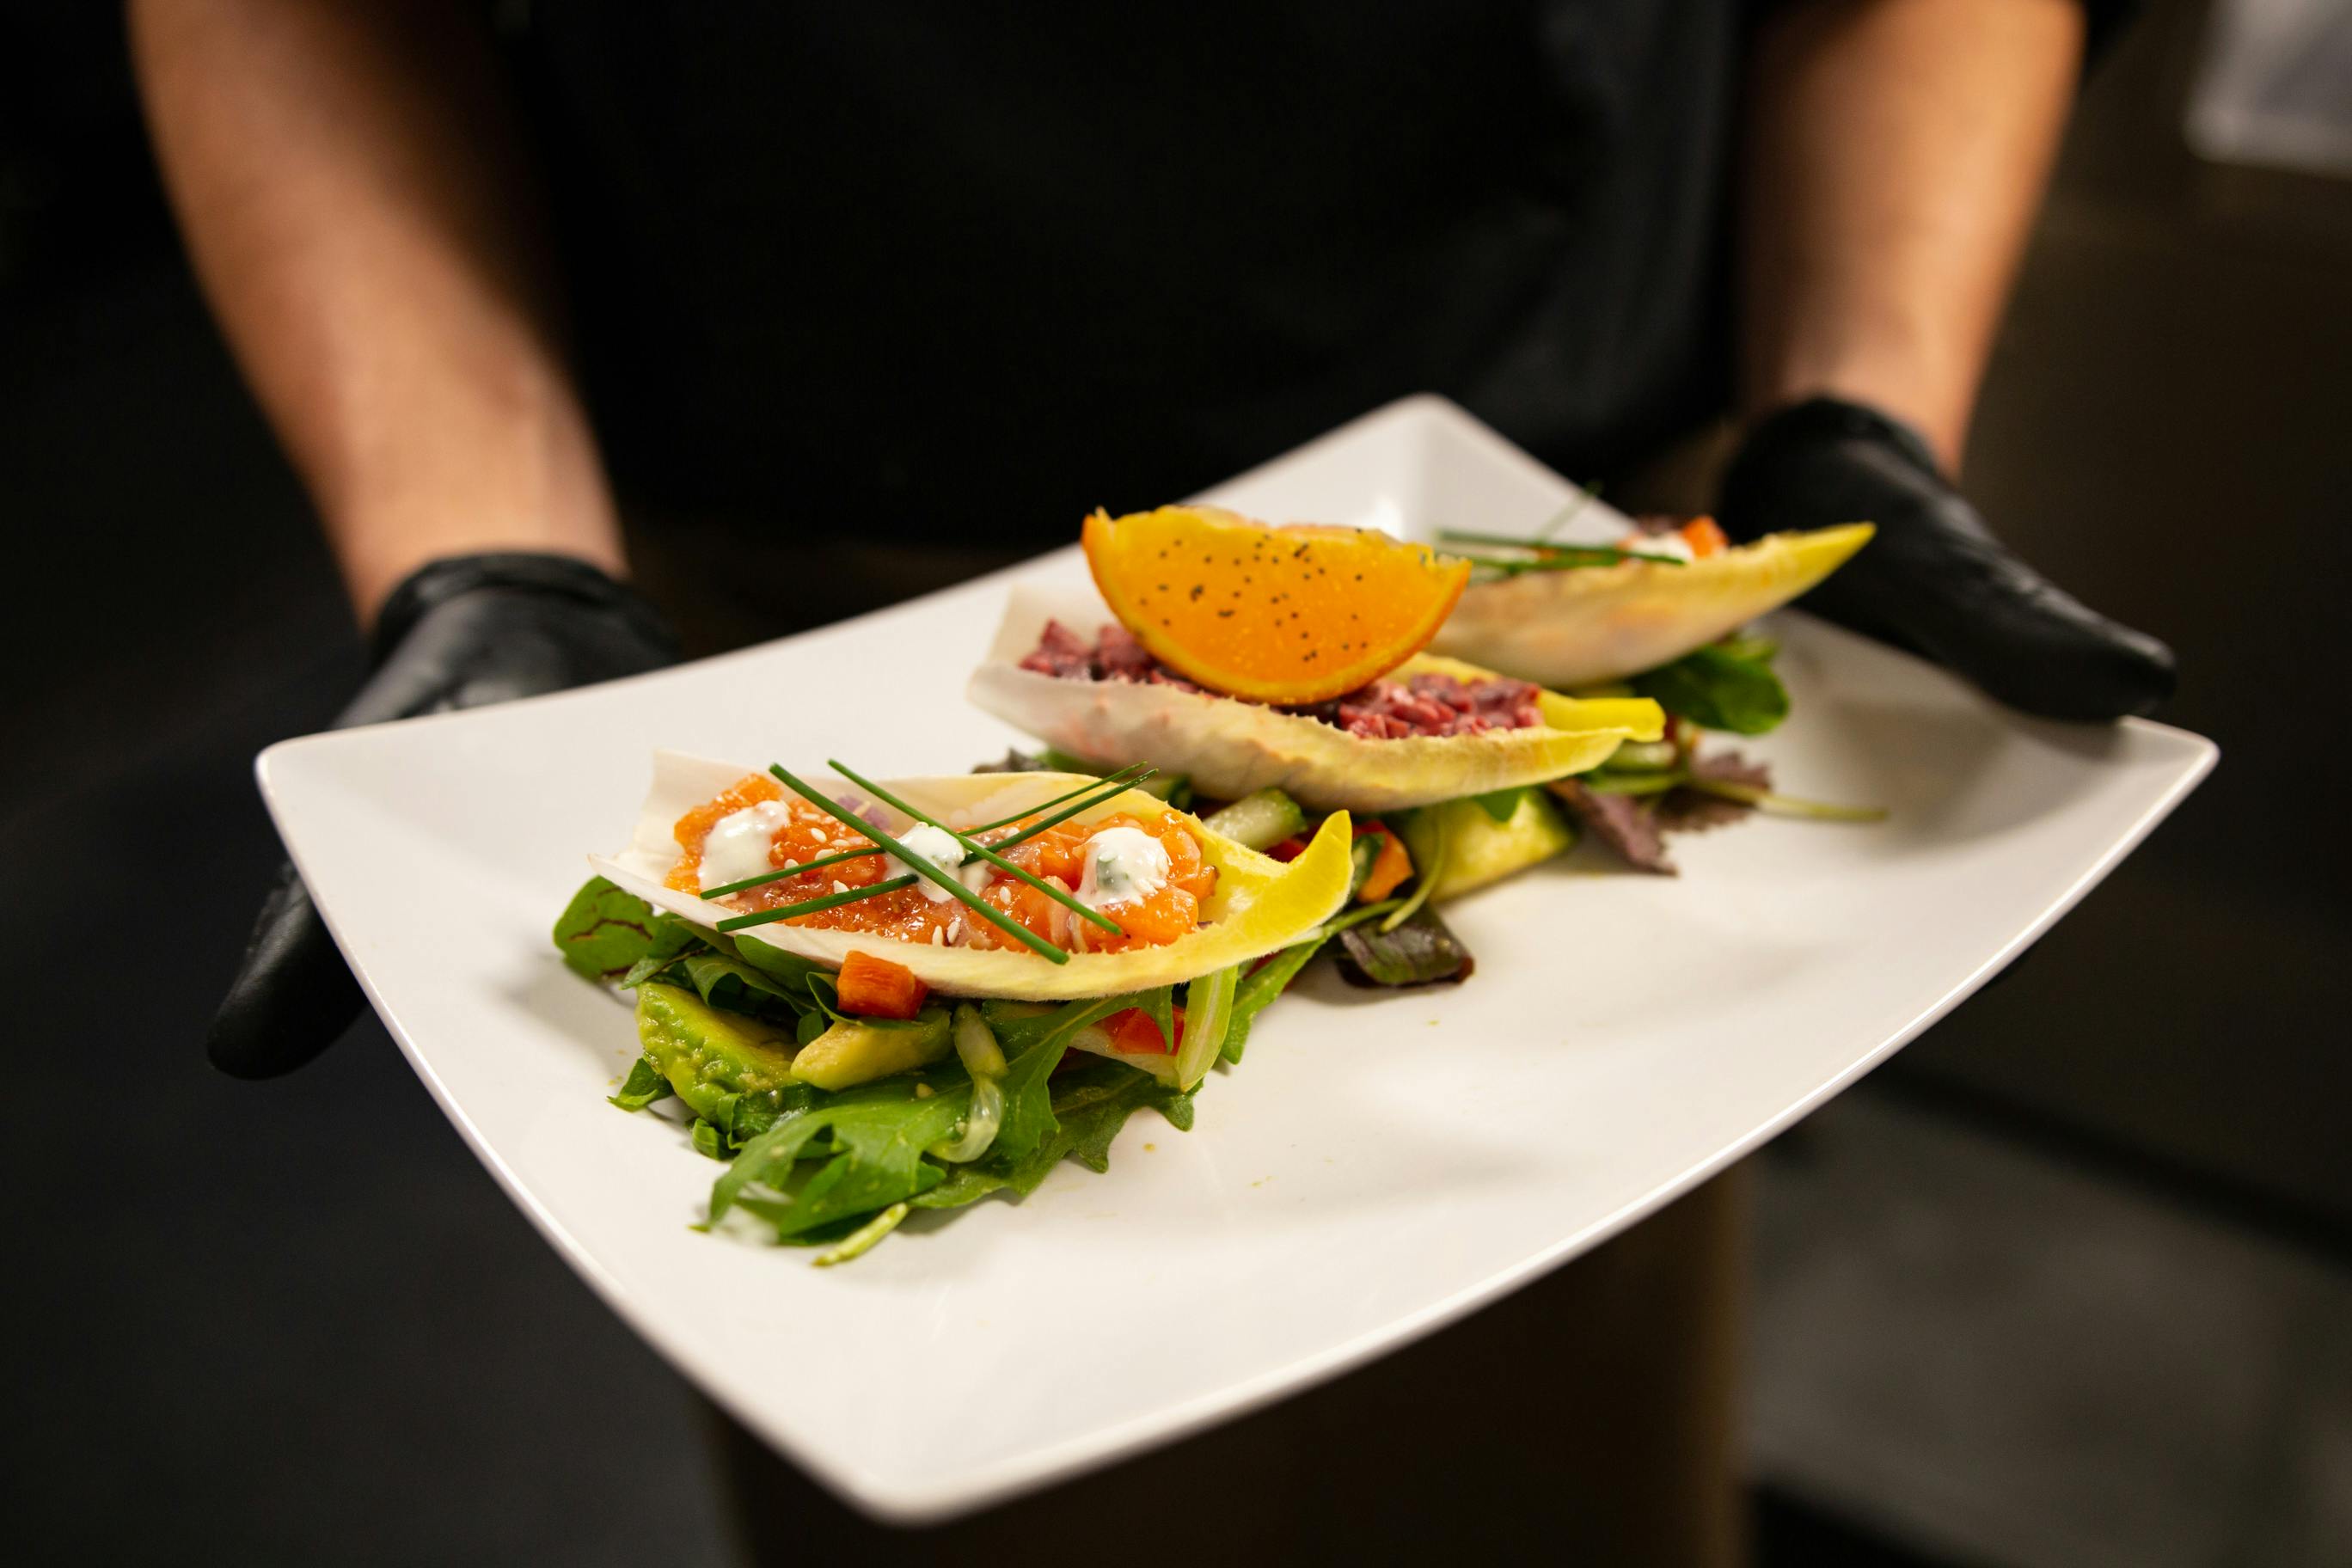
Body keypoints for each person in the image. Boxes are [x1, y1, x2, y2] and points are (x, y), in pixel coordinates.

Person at [132, 3, 2171, 1559]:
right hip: (784, 572)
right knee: (946, 1449)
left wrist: (1860, 401)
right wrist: (482, 542)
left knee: (1538, 1471)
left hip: (1529, 537)